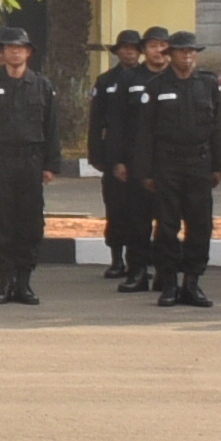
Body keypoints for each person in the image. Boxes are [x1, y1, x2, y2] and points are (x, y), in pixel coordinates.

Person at [0, 25, 59, 305]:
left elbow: (52, 127)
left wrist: (51, 164)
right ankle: (4, 282)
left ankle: (24, 282)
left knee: (30, 224)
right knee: (1, 223)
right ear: (2, 53)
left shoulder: (42, 85)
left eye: (21, 48)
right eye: (10, 48)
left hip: (31, 161)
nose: (16, 52)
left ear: (29, 52)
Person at [138, 29, 221, 308]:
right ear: (170, 54)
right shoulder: (156, 86)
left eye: (192, 51)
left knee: (200, 225)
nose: (187, 56)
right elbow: (145, 133)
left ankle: (193, 282)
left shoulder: (209, 85)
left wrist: (220, 165)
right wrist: (147, 171)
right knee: (167, 226)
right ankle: (170, 283)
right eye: (181, 51)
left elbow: (220, 128)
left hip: (199, 162)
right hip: (167, 163)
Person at [89, 29, 151, 282]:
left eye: (134, 48)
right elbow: (98, 123)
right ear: (117, 52)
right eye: (124, 48)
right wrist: (100, 157)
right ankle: (116, 259)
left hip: (142, 157)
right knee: (116, 209)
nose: (129, 52)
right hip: (115, 155)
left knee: (142, 213)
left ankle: (140, 261)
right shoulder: (106, 81)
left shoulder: (149, 79)